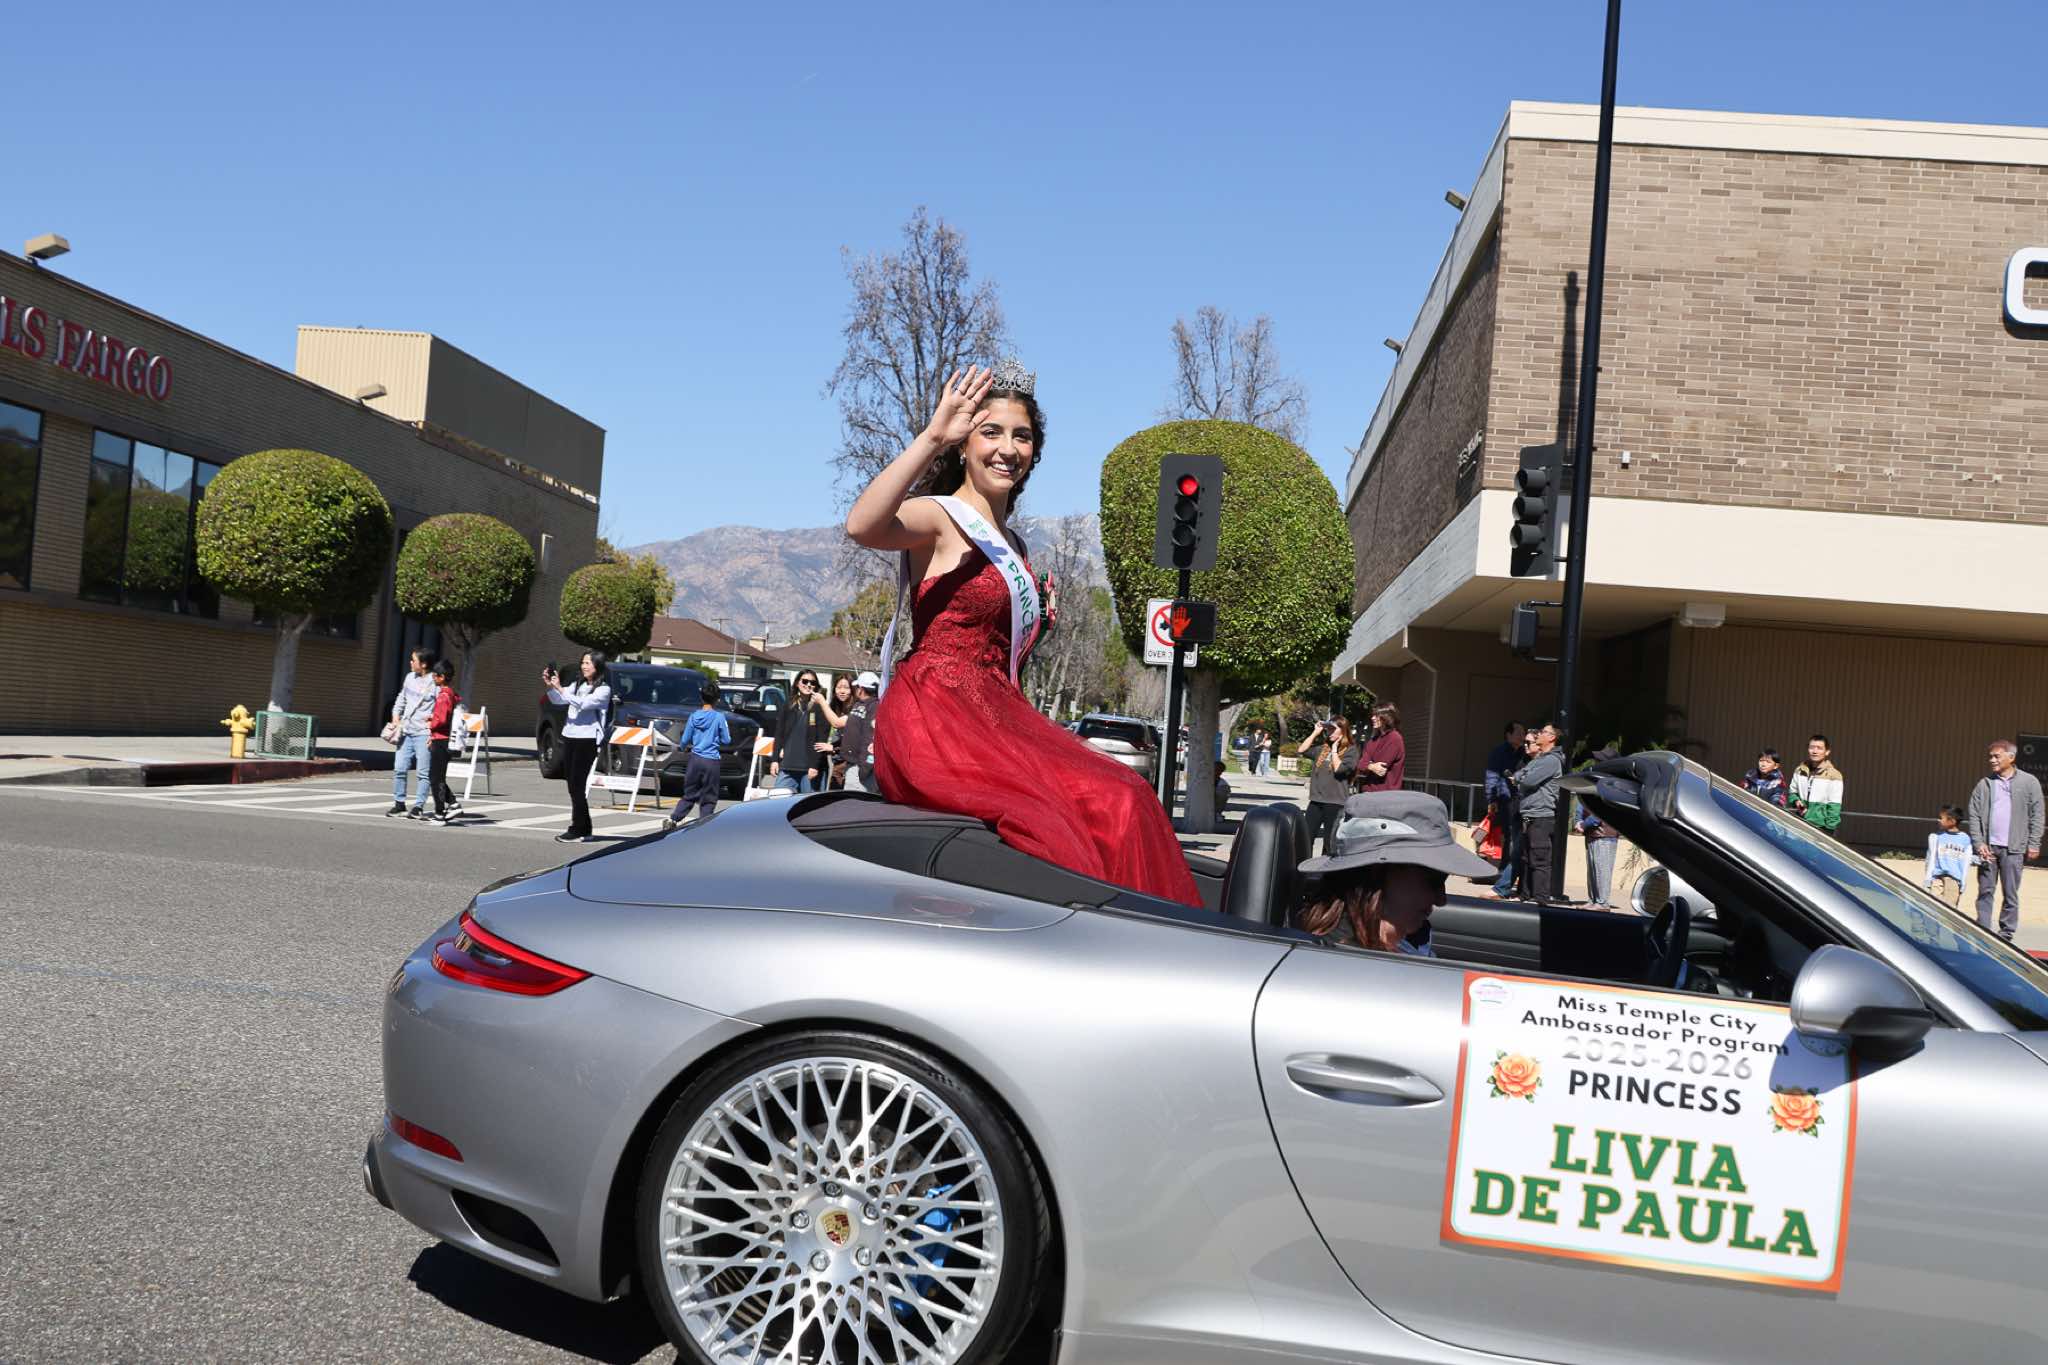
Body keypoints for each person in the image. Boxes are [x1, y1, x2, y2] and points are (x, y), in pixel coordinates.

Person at [847, 360, 1202, 906]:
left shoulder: (1014, 545)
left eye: (1022, 436)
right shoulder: (940, 517)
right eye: (991, 432)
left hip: (996, 713)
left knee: (1128, 793)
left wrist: (1035, 621)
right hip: (937, 716)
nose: (1007, 448)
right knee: (1055, 822)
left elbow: (995, 647)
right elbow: (862, 526)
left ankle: (1139, 935)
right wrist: (933, 435)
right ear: (964, 444)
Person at [1295, 791, 1497, 954]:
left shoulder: (1405, 941)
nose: (1441, 899)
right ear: (1377, 874)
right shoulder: (1351, 966)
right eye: (1434, 879)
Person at [1966, 739, 2044, 942]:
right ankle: (1983, 930)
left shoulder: (2029, 782)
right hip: (1988, 849)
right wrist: (1979, 843)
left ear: (2011, 757)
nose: (1992, 760)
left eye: (1996, 756)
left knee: (2010, 893)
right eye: (1990, 757)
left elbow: (2037, 815)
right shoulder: (1984, 784)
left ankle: (2006, 934)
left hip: (2014, 849)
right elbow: (1974, 814)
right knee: (1985, 891)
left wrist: (2034, 843)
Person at [542, 651, 610, 843]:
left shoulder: (603, 690)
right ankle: (584, 828)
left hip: (587, 739)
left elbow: (583, 704)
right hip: (570, 736)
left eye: (588, 663)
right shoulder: (578, 685)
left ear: (598, 666)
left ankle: (577, 829)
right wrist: (551, 686)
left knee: (577, 785)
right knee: (572, 784)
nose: (584, 666)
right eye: (583, 663)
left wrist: (560, 689)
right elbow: (559, 700)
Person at [661, 679, 730, 829]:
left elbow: (685, 739)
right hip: (711, 760)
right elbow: (726, 740)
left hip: (695, 759)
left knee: (690, 792)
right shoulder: (719, 717)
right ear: (717, 700)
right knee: (709, 796)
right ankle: (703, 824)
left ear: (701, 698)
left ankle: (674, 818)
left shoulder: (693, 717)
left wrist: (683, 747)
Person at [1297, 715, 1361, 856]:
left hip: (1335, 802)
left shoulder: (1351, 750)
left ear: (1343, 730)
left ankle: (1324, 868)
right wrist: (1315, 732)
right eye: (1328, 729)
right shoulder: (1323, 748)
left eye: (1333, 729)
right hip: (1316, 801)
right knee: (1305, 838)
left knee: (1329, 843)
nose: (1329, 732)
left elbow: (1339, 769)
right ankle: (1303, 866)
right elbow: (1302, 750)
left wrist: (1334, 750)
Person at [1517, 723, 1566, 903]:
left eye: (1544, 732)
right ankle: (1526, 895)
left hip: (1541, 817)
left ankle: (1540, 899)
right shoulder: (1539, 759)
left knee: (1539, 858)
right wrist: (1522, 777)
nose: (1539, 734)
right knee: (1526, 857)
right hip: (1529, 815)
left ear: (1552, 738)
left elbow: (1527, 781)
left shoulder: (1551, 760)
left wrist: (1522, 778)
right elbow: (1519, 774)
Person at [386, 647, 437, 818]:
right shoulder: (409, 678)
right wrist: (395, 717)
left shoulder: (434, 682)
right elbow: (401, 699)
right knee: (399, 769)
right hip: (406, 731)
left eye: (413, 660)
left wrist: (433, 732)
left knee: (423, 772)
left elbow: (440, 709)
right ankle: (399, 804)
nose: (410, 662)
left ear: (423, 664)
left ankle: (418, 807)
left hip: (424, 733)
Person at [1483, 722, 1527, 897]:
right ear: (1508, 735)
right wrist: (1492, 799)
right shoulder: (1499, 752)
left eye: (1523, 733)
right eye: (1519, 733)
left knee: (1516, 839)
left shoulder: (1526, 752)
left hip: (1522, 800)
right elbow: (1491, 776)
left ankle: (1509, 876)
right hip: (1506, 800)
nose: (1522, 736)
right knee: (1509, 837)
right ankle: (1504, 873)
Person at [770, 670, 829, 794]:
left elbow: (821, 739)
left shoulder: (819, 707)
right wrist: (775, 760)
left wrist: (814, 765)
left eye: (812, 682)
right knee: (777, 798)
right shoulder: (789, 704)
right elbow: (779, 733)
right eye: (805, 681)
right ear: (797, 683)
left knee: (809, 804)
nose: (808, 685)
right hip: (787, 766)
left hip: (809, 769)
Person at [1579, 746, 1622, 909]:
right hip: (1592, 832)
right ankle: (1593, 900)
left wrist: (1584, 823)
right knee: (1593, 869)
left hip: (1605, 833)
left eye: (1600, 760)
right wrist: (1579, 821)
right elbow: (1584, 802)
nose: (1596, 763)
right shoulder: (1597, 780)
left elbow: (1603, 811)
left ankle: (1602, 902)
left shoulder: (1612, 783)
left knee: (1602, 869)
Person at [424, 659, 460, 824]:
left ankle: (440, 813)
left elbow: (442, 719)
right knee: (437, 777)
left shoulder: (444, 695)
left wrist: (431, 723)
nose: (433, 677)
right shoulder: (450, 694)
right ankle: (453, 804)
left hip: (441, 740)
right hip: (443, 739)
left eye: (435, 675)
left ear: (442, 677)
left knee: (435, 778)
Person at [1788, 735, 1844, 834]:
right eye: (1812, 747)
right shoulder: (1799, 770)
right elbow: (1792, 792)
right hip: (1800, 822)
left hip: (1821, 827)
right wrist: (1796, 801)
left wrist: (1829, 829)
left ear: (1827, 752)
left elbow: (1834, 805)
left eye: (1819, 748)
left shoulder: (1834, 775)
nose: (1815, 751)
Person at [1923, 804, 1973, 913]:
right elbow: (1931, 859)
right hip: (1937, 877)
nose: (1939, 821)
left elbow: (1966, 862)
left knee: (1949, 909)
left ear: (1952, 821)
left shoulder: (1965, 839)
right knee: (1933, 906)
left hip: (1954, 880)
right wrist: (1928, 879)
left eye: (1941, 818)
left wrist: (1963, 882)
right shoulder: (1936, 837)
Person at [838, 672, 879, 792]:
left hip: (861, 768)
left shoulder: (875, 706)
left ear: (861, 689)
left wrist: (864, 768)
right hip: (852, 765)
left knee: (855, 802)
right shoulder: (858, 704)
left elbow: (871, 739)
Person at [1355, 702, 1406, 793]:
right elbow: (1360, 765)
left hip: (1385, 795)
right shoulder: (1373, 740)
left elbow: (1381, 768)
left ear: (1387, 717)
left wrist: (1366, 765)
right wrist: (1370, 766)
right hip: (1368, 792)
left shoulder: (1395, 738)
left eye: (1376, 715)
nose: (1372, 718)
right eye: (1373, 715)